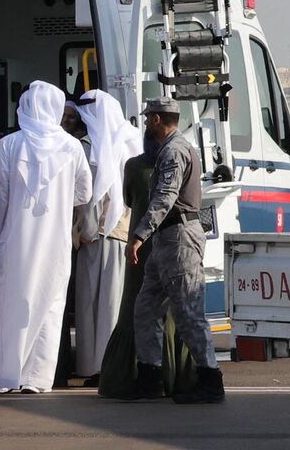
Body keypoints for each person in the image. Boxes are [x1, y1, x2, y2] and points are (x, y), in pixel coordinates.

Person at [0, 82, 93, 394]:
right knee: (50, 305)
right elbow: (84, 192)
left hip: (16, 241)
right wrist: (59, 202)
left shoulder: (10, 145)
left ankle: (2, 375)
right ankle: (37, 378)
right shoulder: (72, 147)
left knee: (10, 307)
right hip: (55, 243)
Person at [119, 98, 225, 404]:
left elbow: (165, 197)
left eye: (148, 119)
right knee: (146, 308)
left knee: (189, 312)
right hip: (167, 241)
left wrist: (138, 235)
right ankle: (150, 377)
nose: (146, 125)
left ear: (155, 119)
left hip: (179, 239)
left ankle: (210, 380)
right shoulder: (171, 149)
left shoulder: (174, 151)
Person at [98, 139, 200, 398]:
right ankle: (178, 378)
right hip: (175, 243)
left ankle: (144, 379)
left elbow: (130, 200)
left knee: (137, 306)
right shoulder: (188, 158)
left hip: (142, 247)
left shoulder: (135, 167)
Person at [71, 90, 138, 383]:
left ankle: (94, 367)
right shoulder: (131, 140)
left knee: (91, 306)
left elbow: (90, 199)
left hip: (97, 237)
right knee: (115, 303)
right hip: (125, 234)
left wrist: (82, 234)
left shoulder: (92, 147)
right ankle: (114, 364)